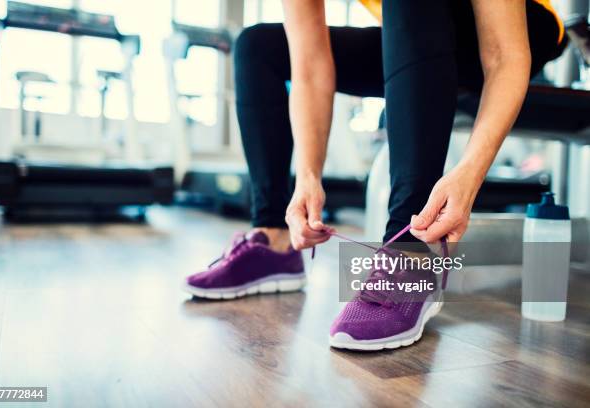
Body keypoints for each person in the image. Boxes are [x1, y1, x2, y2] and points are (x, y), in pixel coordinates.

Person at [184, 0, 566, 350]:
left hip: (517, 32)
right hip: (417, 28)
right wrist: (307, 177)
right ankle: (274, 242)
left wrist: (468, 172)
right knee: (258, 46)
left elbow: (506, 55)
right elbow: (311, 68)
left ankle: (411, 255)